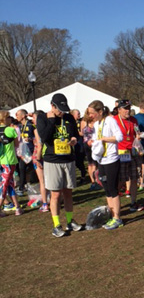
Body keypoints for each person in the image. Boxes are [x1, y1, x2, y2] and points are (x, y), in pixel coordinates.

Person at [36, 94, 83, 237]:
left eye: (64, 109)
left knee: (68, 192)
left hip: (68, 159)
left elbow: (75, 134)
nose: (62, 112)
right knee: (56, 194)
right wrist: (51, 121)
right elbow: (44, 138)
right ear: (52, 106)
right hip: (52, 160)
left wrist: (74, 139)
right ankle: (56, 225)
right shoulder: (43, 118)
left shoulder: (68, 118)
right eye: (59, 109)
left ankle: (70, 221)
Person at [88, 100, 124, 230]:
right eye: (89, 113)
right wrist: (94, 141)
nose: (90, 116)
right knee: (107, 189)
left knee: (113, 189)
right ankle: (111, 214)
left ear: (100, 111)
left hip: (111, 159)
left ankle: (117, 218)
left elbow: (119, 137)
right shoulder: (97, 124)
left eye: (92, 113)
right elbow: (98, 138)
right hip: (101, 160)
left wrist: (104, 139)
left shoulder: (110, 120)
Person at [114, 99, 144, 212]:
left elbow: (136, 133)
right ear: (119, 110)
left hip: (133, 152)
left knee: (134, 177)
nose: (128, 111)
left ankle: (133, 203)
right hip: (120, 153)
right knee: (120, 180)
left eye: (129, 108)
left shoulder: (133, 120)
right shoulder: (114, 120)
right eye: (125, 108)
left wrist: (138, 137)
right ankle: (115, 204)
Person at [0, 111, 23, 217]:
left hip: (1, 160)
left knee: (9, 185)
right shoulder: (10, 130)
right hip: (9, 160)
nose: (11, 118)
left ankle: (17, 207)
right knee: (5, 185)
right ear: (4, 119)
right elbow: (17, 144)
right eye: (8, 117)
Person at [31, 111, 49, 212]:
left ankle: (45, 204)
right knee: (49, 180)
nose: (32, 120)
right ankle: (57, 200)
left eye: (34, 118)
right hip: (48, 155)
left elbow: (39, 144)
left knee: (42, 181)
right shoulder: (48, 128)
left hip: (39, 156)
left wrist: (37, 158)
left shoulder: (37, 130)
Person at [15, 109, 35, 195]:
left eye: (18, 115)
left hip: (31, 150)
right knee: (22, 168)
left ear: (23, 116)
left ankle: (21, 187)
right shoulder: (20, 126)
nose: (17, 116)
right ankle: (24, 185)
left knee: (22, 167)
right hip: (24, 150)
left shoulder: (30, 125)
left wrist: (30, 139)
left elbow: (36, 137)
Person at [80, 109, 98, 190]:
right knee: (92, 163)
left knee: (93, 163)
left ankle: (94, 181)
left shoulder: (95, 120)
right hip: (87, 144)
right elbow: (81, 132)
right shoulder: (84, 121)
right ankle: (94, 181)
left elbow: (82, 132)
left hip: (95, 143)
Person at [71, 109, 86, 184]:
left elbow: (83, 133)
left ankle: (83, 176)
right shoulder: (70, 122)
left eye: (79, 113)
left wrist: (77, 133)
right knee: (75, 162)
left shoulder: (81, 122)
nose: (79, 115)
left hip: (80, 143)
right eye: (78, 114)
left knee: (80, 161)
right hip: (73, 144)